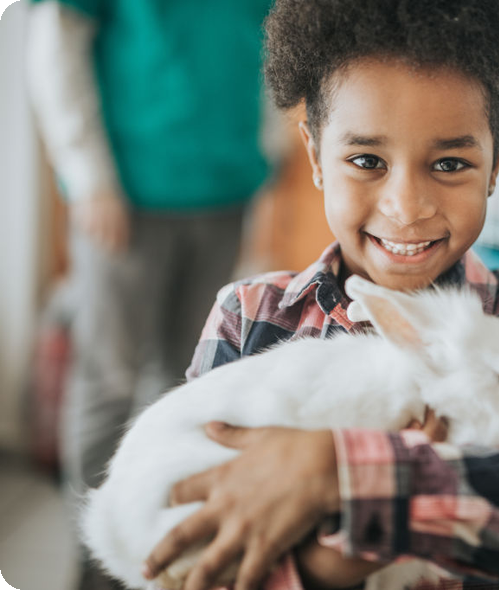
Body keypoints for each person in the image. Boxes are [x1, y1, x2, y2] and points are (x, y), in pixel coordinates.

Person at [141, 1, 499, 589]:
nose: (406, 207)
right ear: (315, 156)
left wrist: (342, 473)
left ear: (496, 164)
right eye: (366, 160)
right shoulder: (249, 316)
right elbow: (197, 528)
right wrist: (334, 563)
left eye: (449, 163)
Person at [25, 1, 281, 588]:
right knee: (109, 380)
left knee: (187, 384)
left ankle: (153, 550)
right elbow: (56, 38)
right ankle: (96, 560)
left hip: (227, 186)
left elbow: (266, 40)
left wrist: (267, 152)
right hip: (127, 193)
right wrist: (88, 177)